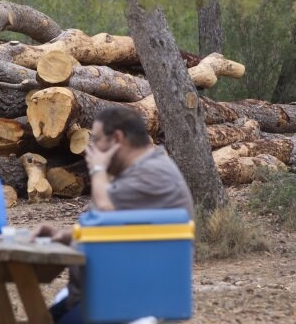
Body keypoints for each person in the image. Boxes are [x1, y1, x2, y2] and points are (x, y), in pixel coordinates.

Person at [32, 106, 194, 323]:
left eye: (97, 139)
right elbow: (123, 227)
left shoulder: (150, 175)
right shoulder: (146, 169)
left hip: (127, 301)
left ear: (117, 138)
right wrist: (66, 235)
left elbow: (106, 218)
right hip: (116, 295)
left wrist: (98, 170)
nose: (91, 148)